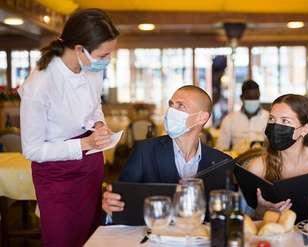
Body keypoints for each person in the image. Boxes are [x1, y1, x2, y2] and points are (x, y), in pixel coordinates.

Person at [19, 9, 119, 246]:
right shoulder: (39, 85)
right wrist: (84, 143)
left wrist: (98, 124)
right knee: (62, 239)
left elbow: (94, 107)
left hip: (91, 167)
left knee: (94, 238)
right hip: (57, 177)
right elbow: (32, 150)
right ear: (79, 49)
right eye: (104, 54)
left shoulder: (91, 68)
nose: (107, 60)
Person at [102, 85, 232, 218]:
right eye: (171, 105)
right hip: (154, 235)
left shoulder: (221, 162)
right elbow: (119, 202)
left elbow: (225, 213)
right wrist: (110, 206)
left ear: (202, 118)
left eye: (180, 106)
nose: (171, 111)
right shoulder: (144, 152)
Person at [246, 94, 308, 220]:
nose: (275, 126)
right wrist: (260, 211)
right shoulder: (256, 168)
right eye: (272, 119)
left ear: (304, 129)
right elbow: (247, 220)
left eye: (285, 121)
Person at [216, 80, 269, 153]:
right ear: (241, 98)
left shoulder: (269, 118)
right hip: (238, 161)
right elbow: (221, 148)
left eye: (256, 98)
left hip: (263, 161)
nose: (253, 101)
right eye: (249, 98)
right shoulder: (230, 119)